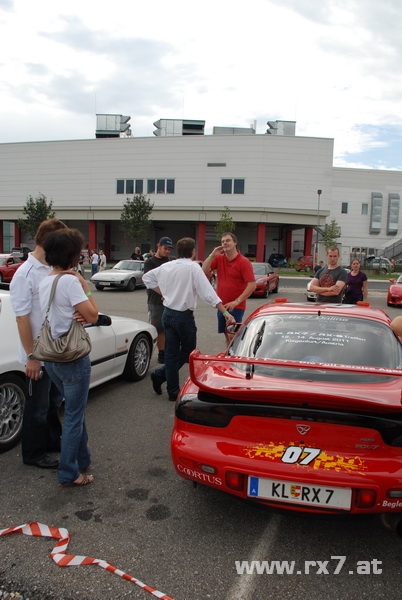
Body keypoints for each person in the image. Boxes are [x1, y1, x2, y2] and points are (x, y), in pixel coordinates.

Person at [39, 228, 99, 486]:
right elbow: (93, 315)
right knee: (74, 415)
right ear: (72, 255)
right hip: (72, 358)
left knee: (76, 411)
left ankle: (83, 458)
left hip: (51, 356)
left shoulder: (46, 280)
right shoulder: (71, 281)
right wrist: (85, 287)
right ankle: (68, 473)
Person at [143, 237, 235, 401]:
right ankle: (161, 376)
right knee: (188, 352)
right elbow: (208, 294)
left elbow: (147, 278)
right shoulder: (193, 268)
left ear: (178, 251)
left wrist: (163, 293)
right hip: (183, 317)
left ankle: (172, 390)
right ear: (193, 252)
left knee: (171, 354)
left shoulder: (167, 266)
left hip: (168, 314)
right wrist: (226, 313)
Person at [10, 218, 67, 469]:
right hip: (37, 354)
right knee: (37, 407)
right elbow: (22, 318)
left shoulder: (51, 268)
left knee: (53, 402)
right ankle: (33, 454)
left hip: (53, 353)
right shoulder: (26, 274)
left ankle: (52, 441)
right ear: (48, 240)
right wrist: (31, 356)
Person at [202, 232, 256, 345]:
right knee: (227, 336)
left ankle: (233, 355)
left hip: (235, 307)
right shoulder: (219, 259)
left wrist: (237, 301)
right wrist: (212, 255)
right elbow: (204, 270)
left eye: (228, 240)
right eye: (222, 241)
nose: (225, 243)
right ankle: (228, 354)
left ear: (235, 243)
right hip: (221, 306)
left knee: (233, 337)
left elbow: (252, 285)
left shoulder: (243, 262)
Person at [144, 237, 174, 364]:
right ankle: (161, 353)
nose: (167, 251)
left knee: (170, 327)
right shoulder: (150, 262)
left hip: (171, 301)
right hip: (155, 300)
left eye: (169, 249)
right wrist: (163, 293)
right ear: (158, 246)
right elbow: (149, 281)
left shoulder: (171, 261)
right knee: (158, 327)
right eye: (165, 248)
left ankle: (169, 351)